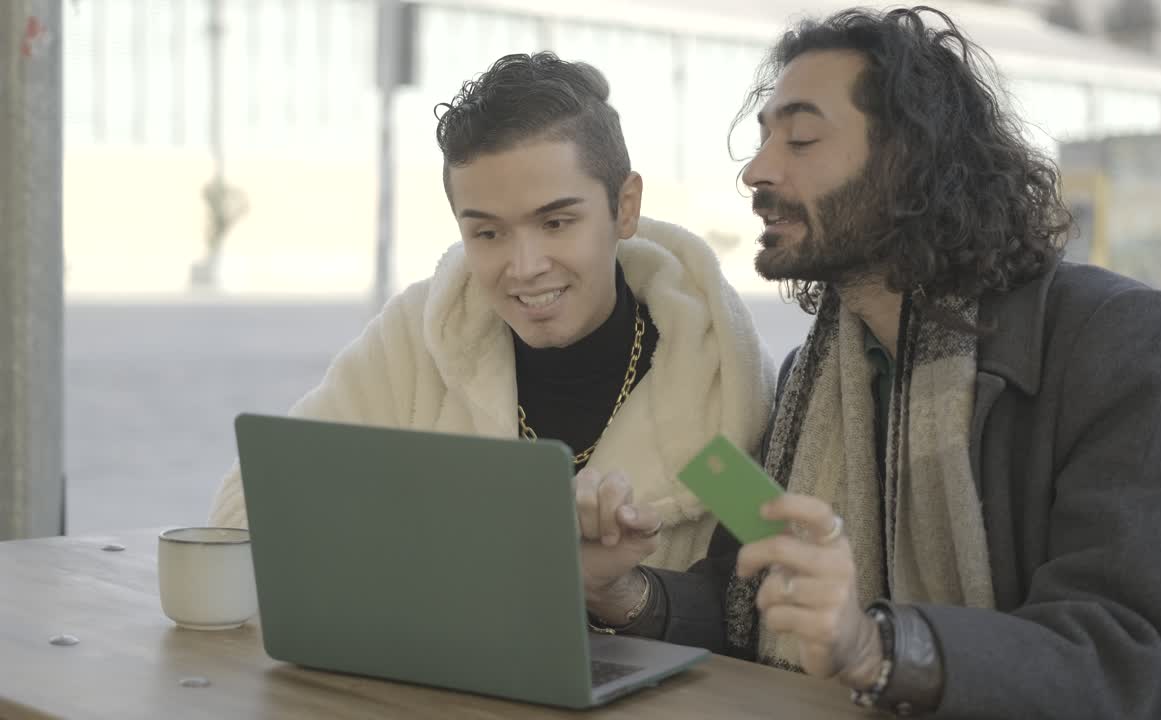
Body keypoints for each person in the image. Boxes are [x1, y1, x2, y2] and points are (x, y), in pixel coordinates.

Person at [578, 8, 1161, 718]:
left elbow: (1130, 653)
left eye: (801, 139)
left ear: (910, 161)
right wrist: (620, 591)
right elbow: (745, 598)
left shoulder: (1117, 339)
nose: (757, 171)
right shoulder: (814, 376)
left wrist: (875, 646)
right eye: (763, 140)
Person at [209, 52, 776, 573]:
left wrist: (627, 597)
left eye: (556, 223)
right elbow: (245, 511)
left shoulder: (717, 386)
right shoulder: (417, 341)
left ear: (624, 207)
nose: (524, 267)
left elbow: (760, 602)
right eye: (488, 233)